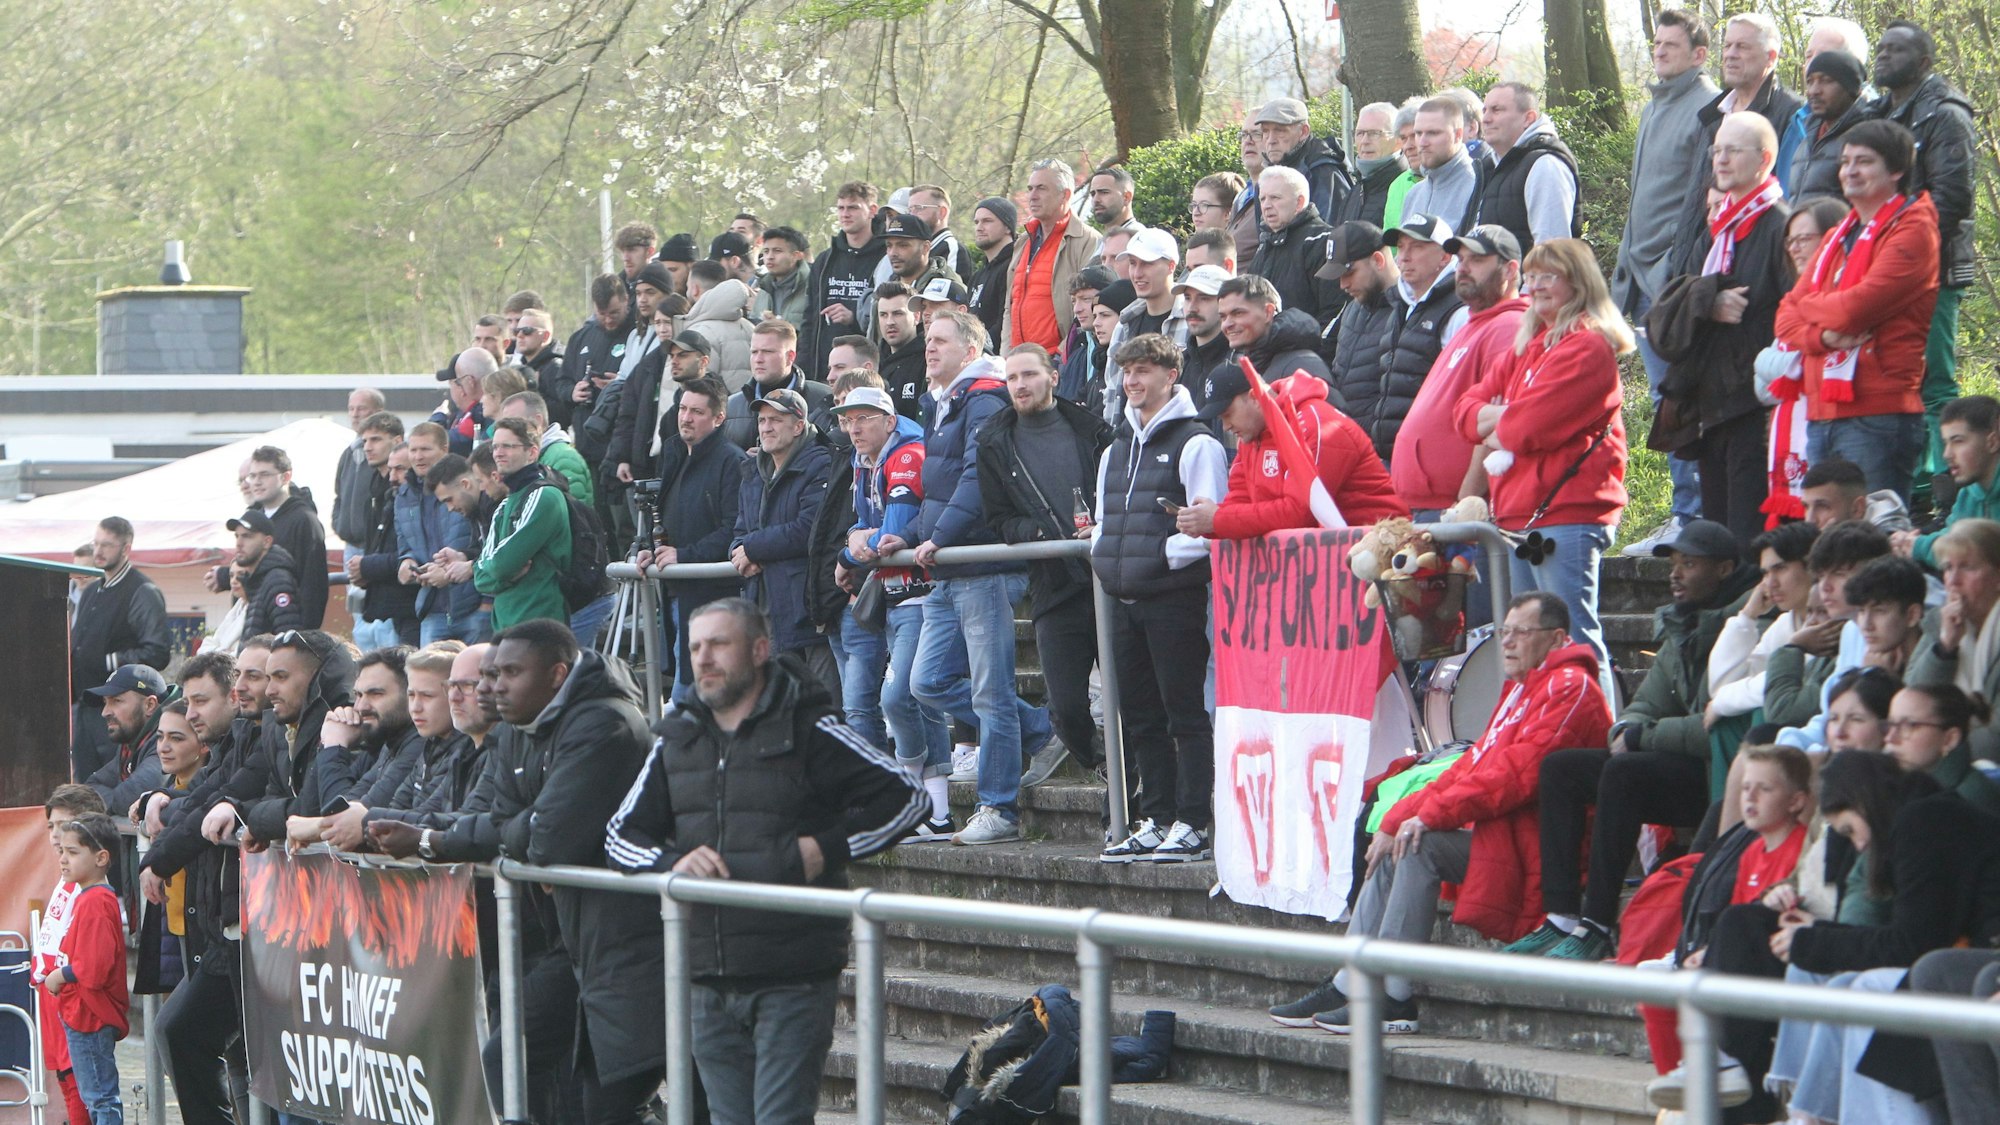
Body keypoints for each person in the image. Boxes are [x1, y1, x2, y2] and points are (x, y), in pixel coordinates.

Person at [605, 599, 924, 1125]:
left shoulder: (810, 726)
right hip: (704, 975)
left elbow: (909, 797)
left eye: (719, 644)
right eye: (695, 647)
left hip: (792, 974)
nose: (704, 659)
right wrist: (671, 863)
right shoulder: (675, 738)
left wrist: (828, 847)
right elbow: (620, 836)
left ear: (759, 650)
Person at [1271, 593, 1612, 1033]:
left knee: (1420, 844)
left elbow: (1512, 777)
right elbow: (1472, 766)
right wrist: (1399, 817)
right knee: (1400, 839)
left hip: (1544, 853)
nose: (1506, 643)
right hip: (1507, 838)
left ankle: (1393, 997)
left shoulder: (1570, 687)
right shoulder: (1524, 688)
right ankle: (1351, 978)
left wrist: (1426, 817)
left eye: (1520, 633)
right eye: (1503, 631)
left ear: (1558, 638)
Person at [1508, 519, 1756, 961]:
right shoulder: (1682, 624)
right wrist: (1628, 730)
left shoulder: (1749, 626)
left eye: (1690, 564)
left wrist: (1645, 736)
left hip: (1722, 776)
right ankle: (1562, 915)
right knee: (1562, 769)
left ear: (1724, 570)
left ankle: (1598, 924)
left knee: (1625, 770)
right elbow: (1644, 705)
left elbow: (1719, 726)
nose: (1676, 574)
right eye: (1674, 563)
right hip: (1679, 761)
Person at [487, 620, 678, 1124]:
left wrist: (533, 842)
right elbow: (499, 816)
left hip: (631, 938)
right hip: (576, 939)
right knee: (509, 1057)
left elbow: (547, 839)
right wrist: (530, 838)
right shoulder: (516, 728)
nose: (495, 685)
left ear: (556, 673)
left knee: (615, 1103)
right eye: (493, 672)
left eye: (511, 671)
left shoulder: (603, 722)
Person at [907, 311, 1056, 846]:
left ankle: (1000, 808)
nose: (930, 349)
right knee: (926, 682)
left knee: (991, 695)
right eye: (928, 340)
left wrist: (939, 535)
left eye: (941, 341)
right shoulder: (944, 403)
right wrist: (908, 536)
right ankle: (1042, 730)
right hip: (949, 565)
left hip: (981, 566)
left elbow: (975, 478)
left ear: (970, 351)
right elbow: (939, 481)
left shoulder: (984, 399)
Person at [1453, 238, 1631, 684]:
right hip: (1517, 514)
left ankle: (1592, 740)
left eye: (1548, 276)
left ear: (1578, 281)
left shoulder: (1588, 346)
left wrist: (1498, 418)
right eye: (1531, 277)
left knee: (1572, 638)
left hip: (1567, 514)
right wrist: (1498, 418)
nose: (1536, 286)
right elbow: (1463, 412)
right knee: (1526, 646)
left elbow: (1524, 428)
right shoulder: (1528, 345)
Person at [1091, 334, 1229, 863]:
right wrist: (1111, 556)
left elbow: (1209, 524)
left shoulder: (1197, 443)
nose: (1132, 381)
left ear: (1171, 376)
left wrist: (1157, 556)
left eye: (1144, 371)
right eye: (1127, 372)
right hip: (1124, 600)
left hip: (1174, 600)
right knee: (1141, 715)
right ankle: (1158, 815)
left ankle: (1194, 821)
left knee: (1185, 713)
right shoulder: (1115, 448)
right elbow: (1107, 522)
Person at [1774, 119, 1940, 503]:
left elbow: (1854, 311)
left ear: (1897, 170)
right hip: (1821, 413)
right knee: (1832, 547)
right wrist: (1822, 336)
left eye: (1864, 161)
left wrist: (1811, 306)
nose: (1850, 170)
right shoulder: (1835, 235)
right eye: (1846, 161)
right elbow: (1785, 317)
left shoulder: (1914, 230)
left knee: (1873, 545)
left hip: (1878, 413)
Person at [1646, 111, 1791, 545]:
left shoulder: (1780, 225)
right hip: (1710, 405)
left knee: (1747, 537)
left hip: (1755, 403)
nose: (1721, 160)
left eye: (1733, 151)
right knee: (1719, 536)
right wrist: (1707, 302)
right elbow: (1679, 292)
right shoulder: (1716, 227)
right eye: (1716, 151)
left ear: (1764, 159)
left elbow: (1791, 311)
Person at [979, 343, 1115, 790]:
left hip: (1109, 577)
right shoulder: (994, 440)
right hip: (1054, 583)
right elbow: (998, 519)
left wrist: (1103, 525)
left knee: (1129, 700)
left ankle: (1129, 791)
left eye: (1029, 375)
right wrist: (1038, 536)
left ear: (1053, 377)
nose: (1020, 385)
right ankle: (1102, 765)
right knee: (1066, 705)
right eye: (1012, 378)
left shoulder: (1093, 430)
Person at [1613, 8, 1718, 554]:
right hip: (1641, 280)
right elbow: (1641, 203)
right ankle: (1685, 514)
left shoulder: (1708, 107)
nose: (1660, 52)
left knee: (1680, 396)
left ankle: (1692, 516)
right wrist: (1622, 276)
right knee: (1664, 397)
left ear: (1700, 55)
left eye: (1672, 46)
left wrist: (1677, 277)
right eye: (1657, 43)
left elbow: (1699, 200)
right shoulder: (1656, 106)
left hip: (1674, 285)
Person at [1868, 21, 1976, 505]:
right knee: (1896, 382)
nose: (1884, 56)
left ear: (1925, 61)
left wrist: (1906, 253)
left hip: (1934, 269)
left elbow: (1953, 197)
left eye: (1897, 49)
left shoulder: (1944, 114)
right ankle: (1906, 494)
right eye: (1882, 48)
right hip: (1883, 273)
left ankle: (1946, 495)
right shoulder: (1878, 113)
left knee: (1934, 382)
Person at [1391, 224, 1530, 516]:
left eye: (1477, 260)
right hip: (1433, 507)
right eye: (1462, 259)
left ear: (1509, 269)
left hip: (1461, 511)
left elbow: (1495, 423)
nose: (1464, 268)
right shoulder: (1474, 324)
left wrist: (1466, 503)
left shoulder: (1507, 326)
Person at [1185, 358, 1405, 537]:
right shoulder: (1251, 436)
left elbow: (1301, 511)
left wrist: (1217, 519)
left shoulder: (1315, 423)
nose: (1225, 426)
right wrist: (1204, 521)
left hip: (1383, 550)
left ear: (1254, 397)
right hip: (1340, 558)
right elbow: (1240, 500)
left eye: (1227, 414)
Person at [636, 376, 748, 702]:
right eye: (683, 409)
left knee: (693, 695)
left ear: (718, 418)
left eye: (697, 412)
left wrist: (684, 555)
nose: (686, 417)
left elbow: (734, 529)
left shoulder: (732, 461)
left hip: (712, 596)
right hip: (675, 592)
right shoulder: (675, 455)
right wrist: (649, 550)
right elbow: (665, 521)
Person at [1671, 13, 1803, 273]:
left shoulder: (1791, 113)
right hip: (1700, 256)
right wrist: (1680, 264)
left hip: (1754, 262)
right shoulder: (1713, 115)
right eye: (1728, 45)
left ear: (1771, 57)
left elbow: (1788, 196)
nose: (1730, 54)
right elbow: (1696, 197)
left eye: (1742, 46)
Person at [731, 387, 838, 695]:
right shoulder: (752, 470)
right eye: (762, 420)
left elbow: (809, 528)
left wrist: (752, 548)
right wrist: (738, 552)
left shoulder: (820, 463)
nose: (766, 427)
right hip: (765, 611)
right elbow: (741, 529)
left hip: (807, 612)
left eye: (776, 420)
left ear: (799, 425)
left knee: (822, 711)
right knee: (780, 715)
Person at [43, 813, 128, 1125]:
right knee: (95, 1096)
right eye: (62, 852)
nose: (63, 860)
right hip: (81, 1013)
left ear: (101, 857)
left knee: (101, 1098)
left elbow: (94, 967)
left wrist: (59, 976)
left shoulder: (96, 902)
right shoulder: (87, 897)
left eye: (73, 852)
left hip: (90, 1015)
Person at [70, 516, 170, 779]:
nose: (99, 551)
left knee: (113, 782)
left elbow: (158, 651)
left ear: (126, 549)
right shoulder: (92, 591)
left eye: (107, 545)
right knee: (85, 783)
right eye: (96, 544)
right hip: (85, 706)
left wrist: (109, 662)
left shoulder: (142, 590)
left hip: (119, 711)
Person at [36, 785, 109, 1125]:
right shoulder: (65, 879)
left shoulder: (90, 888)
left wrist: (61, 976)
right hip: (52, 996)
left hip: (73, 1000)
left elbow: (88, 956)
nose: (55, 835)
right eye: (51, 826)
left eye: (64, 824)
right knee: (66, 1081)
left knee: (82, 1087)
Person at [1374, 213, 1468, 460]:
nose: (1404, 256)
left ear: (1445, 256)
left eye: (1417, 247)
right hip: (1391, 455)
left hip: (1433, 458)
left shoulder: (1460, 311)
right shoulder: (1399, 304)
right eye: (1401, 247)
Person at [1707, 521, 1819, 730]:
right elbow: (1721, 685)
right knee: (1726, 722)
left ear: (1812, 566)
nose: (1770, 583)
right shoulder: (1786, 623)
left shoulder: (1835, 619)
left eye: (1780, 569)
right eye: (1766, 573)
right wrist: (1748, 616)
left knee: (1759, 714)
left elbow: (1780, 684)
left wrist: (1721, 703)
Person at [1906, 519, 2000, 760]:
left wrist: (1935, 753)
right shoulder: (1941, 620)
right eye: (1948, 568)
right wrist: (1945, 648)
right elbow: (1913, 694)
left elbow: (1995, 738)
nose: (1953, 580)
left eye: (1967, 568)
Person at [475, 416, 573, 630]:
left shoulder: (545, 496)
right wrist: (504, 576)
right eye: (496, 446)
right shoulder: (504, 504)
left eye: (508, 446)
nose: (498, 453)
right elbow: (480, 577)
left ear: (532, 452)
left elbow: (500, 565)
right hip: (504, 626)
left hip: (539, 626)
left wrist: (499, 574)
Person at [227, 445, 329, 627]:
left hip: (287, 626)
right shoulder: (251, 518)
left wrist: (304, 639)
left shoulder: (304, 521)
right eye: (253, 476)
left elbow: (313, 585)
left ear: (286, 477)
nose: (256, 482)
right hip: (252, 625)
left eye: (264, 475)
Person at [1008, 158, 1100, 351]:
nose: (1032, 196)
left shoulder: (1087, 241)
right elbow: (1010, 305)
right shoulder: (1023, 242)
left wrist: (1061, 357)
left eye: (1041, 188)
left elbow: (1090, 305)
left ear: (1065, 195)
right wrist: (1006, 355)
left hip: (1059, 364)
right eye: (1030, 188)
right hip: (1018, 365)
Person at [1474, 83, 1580, 249]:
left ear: (1528, 118)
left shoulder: (1545, 165)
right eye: (1484, 111)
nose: (1486, 119)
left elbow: (1551, 249)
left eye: (1497, 110)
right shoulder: (1491, 165)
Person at [1100, 228, 1190, 422]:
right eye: (1133, 263)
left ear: (1171, 266)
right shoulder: (1124, 323)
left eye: (1147, 264)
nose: (1137, 273)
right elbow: (1113, 390)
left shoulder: (1190, 319)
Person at [1901, 395, 2000, 568]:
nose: (1947, 454)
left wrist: (1917, 546)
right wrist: (1909, 543)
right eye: (1946, 443)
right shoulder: (1968, 495)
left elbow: (1970, 554)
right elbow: (1951, 538)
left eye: (1958, 441)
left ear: (1992, 442)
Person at [804, 181, 887, 380]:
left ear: (872, 210)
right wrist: (804, 368)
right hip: (824, 368)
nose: (845, 214)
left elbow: (890, 317)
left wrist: (853, 317)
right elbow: (809, 320)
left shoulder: (885, 258)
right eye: (841, 208)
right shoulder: (825, 260)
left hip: (867, 368)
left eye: (853, 208)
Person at [1248, 167, 1341, 327]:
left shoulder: (1324, 241)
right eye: (1262, 199)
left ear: (1299, 202)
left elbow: (1335, 310)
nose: (1266, 206)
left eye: (1275, 198)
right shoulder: (1265, 245)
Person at [722, 319, 835, 447]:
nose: (758, 359)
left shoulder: (823, 400)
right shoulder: (731, 406)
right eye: (754, 352)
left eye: (767, 352)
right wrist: (744, 461)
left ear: (790, 357)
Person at [83, 663, 171, 816]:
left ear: (150, 705)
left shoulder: (166, 741)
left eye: (116, 701)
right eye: (105, 702)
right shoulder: (132, 742)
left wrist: (114, 797)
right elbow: (88, 790)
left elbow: (129, 798)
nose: (105, 712)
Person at [1216, 273, 1331, 389]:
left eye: (1238, 313)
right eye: (1223, 317)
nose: (1227, 324)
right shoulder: (1246, 364)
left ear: (1268, 312)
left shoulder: (1303, 366)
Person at [1787, 50, 1869, 201]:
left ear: (1850, 88)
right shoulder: (1807, 135)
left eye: (1826, 80)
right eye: (1810, 81)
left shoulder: (1867, 138)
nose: (1814, 91)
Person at [1252, 96, 1349, 222]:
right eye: (1265, 132)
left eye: (1280, 131)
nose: (1271, 140)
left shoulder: (1324, 172)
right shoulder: (1266, 178)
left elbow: (1329, 233)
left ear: (1303, 132)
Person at [1402, 96, 1480, 233]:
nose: (1422, 142)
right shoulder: (1413, 194)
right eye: (1418, 133)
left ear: (1458, 135)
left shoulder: (1477, 185)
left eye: (1433, 133)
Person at [500, 390, 593, 505]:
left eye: (514, 422)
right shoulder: (528, 455)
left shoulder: (563, 457)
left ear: (537, 420)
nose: (507, 430)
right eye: (505, 424)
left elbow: (573, 513)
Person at [228, 508, 305, 639]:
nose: (239, 543)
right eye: (237, 536)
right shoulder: (257, 581)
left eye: (246, 536)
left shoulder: (277, 581)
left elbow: (289, 639)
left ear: (267, 542)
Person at [682, 261, 756, 392]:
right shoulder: (750, 328)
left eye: (688, 286)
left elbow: (697, 390)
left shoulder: (699, 333)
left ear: (695, 289)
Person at [332, 387, 387, 562]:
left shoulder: (388, 454)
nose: (355, 414)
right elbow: (339, 495)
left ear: (378, 412)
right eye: (351, 408)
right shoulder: (348, 453)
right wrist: (339, 524)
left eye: (361, 408)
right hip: (350, 546)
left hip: (376, 548)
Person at [1337, 102, 1404, 229]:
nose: (1364, 141)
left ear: (1399, 140)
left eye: (1374, 133)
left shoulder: (1408, 188)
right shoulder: (1354, 192)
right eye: (1360, 133)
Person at [966, 198, 1017, 347]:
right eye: (976, 222)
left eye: (987, 221)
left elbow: (1006, 322)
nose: (979, 228)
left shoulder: (1013, 267)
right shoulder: (977, 276)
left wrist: (980, 347)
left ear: (1008, 227)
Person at [873, 282, 928, 419]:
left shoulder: (929, 359)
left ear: (916, 316)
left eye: (897, 313)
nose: (889, 322)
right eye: (883, 315)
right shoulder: (873, 362)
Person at [751, 225, 814, 333]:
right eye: (766, 251)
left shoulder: (814, 286)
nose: (770, 257)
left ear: (796, 256)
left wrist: (780, 327)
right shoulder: (764, 288)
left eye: (777, 251)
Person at [1085, 165, 1143, 240]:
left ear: (1126, 197)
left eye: (1104, 192)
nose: (1096, 199)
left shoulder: (1139, 240)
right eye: (1093, 194)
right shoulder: (1101, 241)